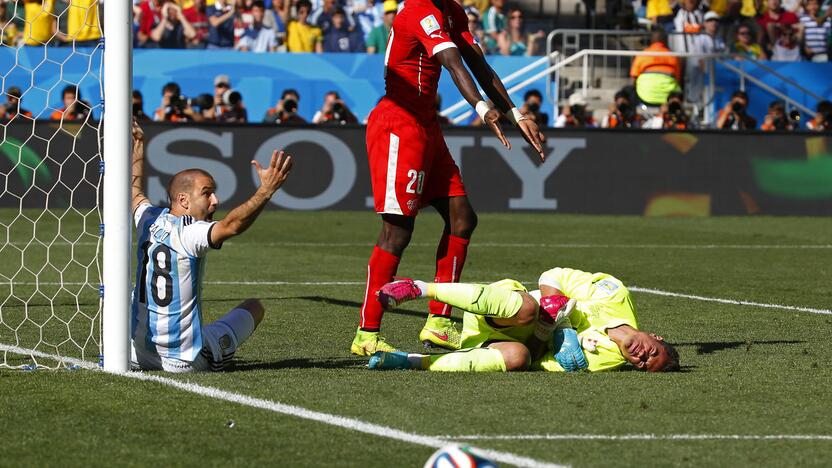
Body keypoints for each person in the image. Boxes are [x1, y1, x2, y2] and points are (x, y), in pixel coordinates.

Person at [352, 0, 546, 356]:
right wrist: (483, 108)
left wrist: (516, 114)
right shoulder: (418, 9)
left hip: (425, 124)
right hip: (398, 122)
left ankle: (439, 324)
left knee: (462, 218)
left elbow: (477, 64)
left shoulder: (453, 12)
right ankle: (367, 332)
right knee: (397, 230)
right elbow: (452, 62)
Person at [129, 121, 293, 373]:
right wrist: (266, 191)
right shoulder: (190, 232)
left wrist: (138, 145)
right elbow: (232, 225)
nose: (215, 200)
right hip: (181, 361)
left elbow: (133, 191)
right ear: (183, 200)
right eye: (207, 193)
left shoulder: (147, 218)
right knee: (254, 306)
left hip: (134, 353)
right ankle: (210, 352)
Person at [368, 267, 680, 373]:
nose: (640, 356)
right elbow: (552, 275)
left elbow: (536, 359)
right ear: (657, 337)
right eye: (651, 352)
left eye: (642, 365)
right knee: (530, 310)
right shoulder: (616, 296)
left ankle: (407, 361)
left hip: (498, 341)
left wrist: (549, 331)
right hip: (505, 306)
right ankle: (419, 288)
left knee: (519, 358)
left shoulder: (601, 362)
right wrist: (554, 302)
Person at [630, 30, 682, 106]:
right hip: (668, 98)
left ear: (651, 40)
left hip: (644, 96)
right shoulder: (673, 56)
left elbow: (634, 77)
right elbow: (677, 79)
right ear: (666, 40)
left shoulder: (642, 55)